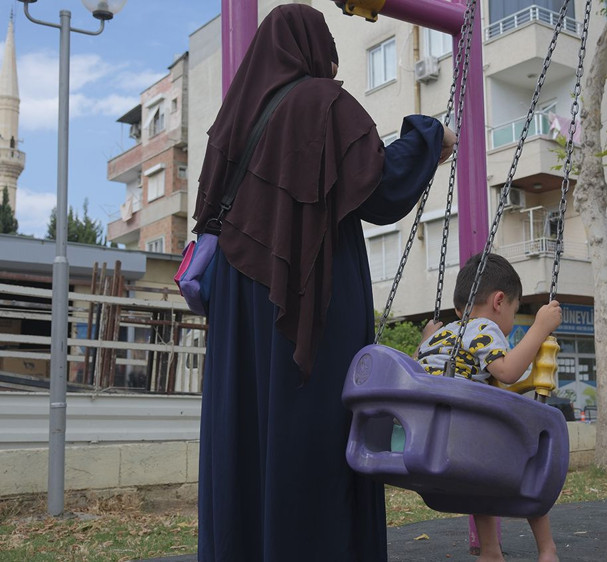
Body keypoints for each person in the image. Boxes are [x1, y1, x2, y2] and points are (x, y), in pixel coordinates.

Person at [192, 5, 456, 561]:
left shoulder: (232, 122)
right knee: (314, 433)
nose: (334, 65)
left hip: (241, 303)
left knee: (244, 432)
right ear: (312, 49)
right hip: (306, 296)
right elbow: (380, 187)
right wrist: (429, 137)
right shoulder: (320, 103)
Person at [416, 253, 563, 562]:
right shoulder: (483, 327)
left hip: (429, 437)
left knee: (480, 482)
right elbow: (507, 372)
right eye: (515, 310)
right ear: (499, 301)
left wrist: (425, 338)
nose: (512, 320)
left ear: (459, 308)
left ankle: (491, 551)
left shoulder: (437, 337)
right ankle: (547, 550)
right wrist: (540, 327)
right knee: (529, 463)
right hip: (465, 433)